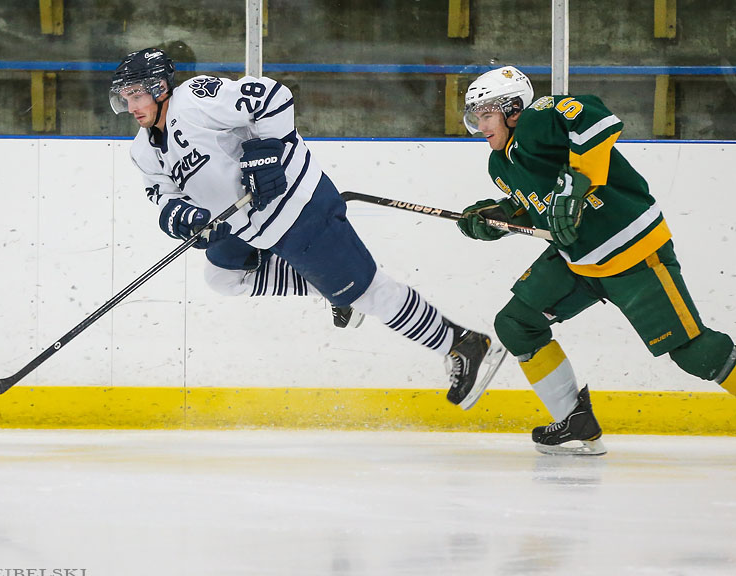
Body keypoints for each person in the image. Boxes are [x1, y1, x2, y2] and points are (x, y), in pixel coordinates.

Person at [109, 48, 507, 408]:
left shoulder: (195, 98)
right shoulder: (142, 150)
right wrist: (180, 216)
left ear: (160, 87)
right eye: (124, 98)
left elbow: (272, 97)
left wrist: (268, 153)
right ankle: (329, 289)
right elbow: (160, 195)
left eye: (136, 95)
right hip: (247, 226)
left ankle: (460, 343)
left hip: (296, 206)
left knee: (367, 292)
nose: (130, 106)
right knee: (221, 275)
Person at [457, 66, 736, 454]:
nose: (480, 125)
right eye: (475, 117)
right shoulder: (500, 165)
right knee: (517, 324)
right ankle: (575, 420)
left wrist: (576, 180)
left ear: (513, 109)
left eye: (486, 114)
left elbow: (596, 117)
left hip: (633, 254)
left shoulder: (539, 119)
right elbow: (537, 205)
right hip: (578, 263)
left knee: (696, 353)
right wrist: (498, 219)